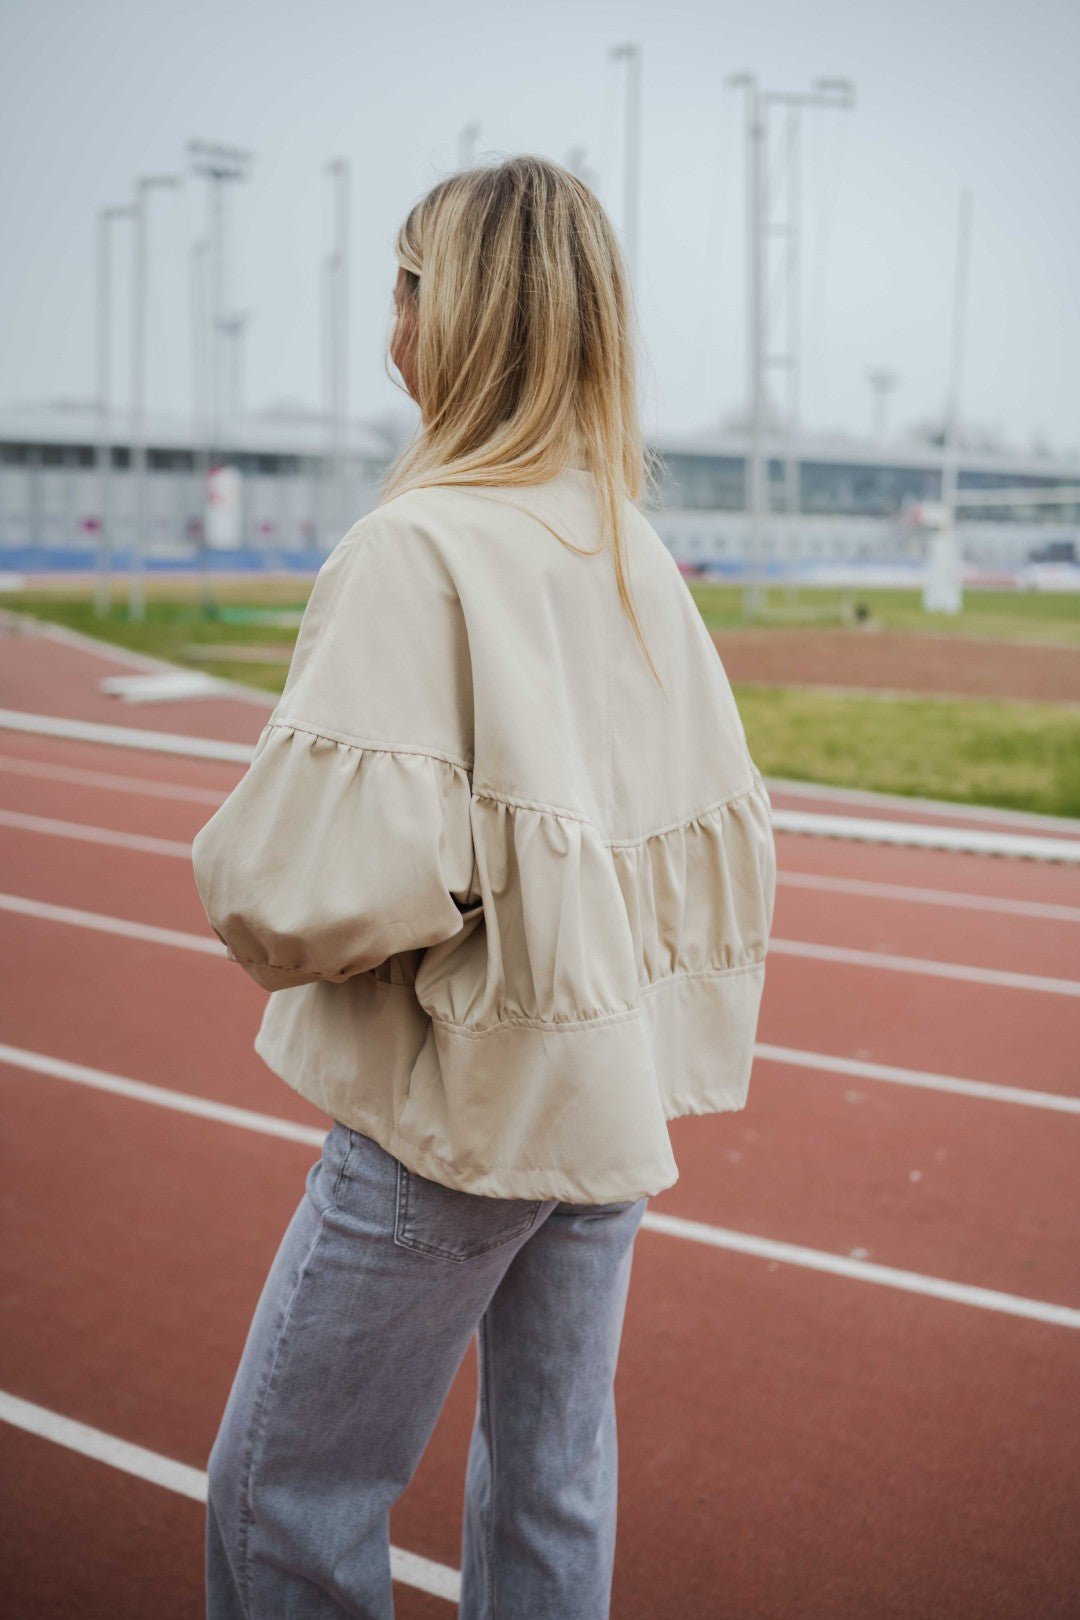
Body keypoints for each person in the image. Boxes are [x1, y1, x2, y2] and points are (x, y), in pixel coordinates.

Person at [192, 154, 777, 1620]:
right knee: (551, 1479)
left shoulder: (416, 545)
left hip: (459, 1103)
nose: (389, 322)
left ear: (442, 314)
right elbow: (708, 829)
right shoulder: (626, 540)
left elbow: (308, 888)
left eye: (403, 287)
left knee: (286, 1489)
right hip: (610, 1086)